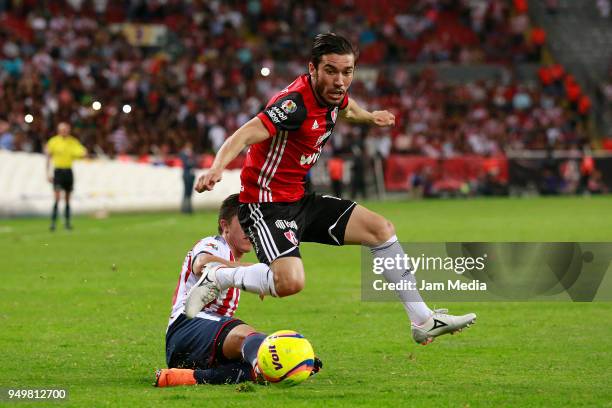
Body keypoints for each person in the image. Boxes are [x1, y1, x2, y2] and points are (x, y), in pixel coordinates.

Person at [189, 33, 476, 346]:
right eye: (331, 71)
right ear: (312, 69)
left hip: (299, 199)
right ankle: (218, 275)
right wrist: (217, 167)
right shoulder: (294, 105)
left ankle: (422, 320)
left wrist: (370, 117)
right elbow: (244, 134)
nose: (340, 80)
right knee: (291, 282)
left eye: (347, 72)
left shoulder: (334, 94)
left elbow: (348, 108)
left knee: (381, 230)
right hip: (264, 205)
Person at [156, 194, 321, 387]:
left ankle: (184, 377)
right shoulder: (214, 244)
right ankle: (271, 359)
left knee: (253, 365)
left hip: (203, 347)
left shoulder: (234, 262)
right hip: (186, 328)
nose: (251, 230)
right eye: (244, 222)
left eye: (253, 224)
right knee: (247, 338)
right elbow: (202, 264)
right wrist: (252, 272)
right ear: (225, 226)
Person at [45, 122, 87, 231]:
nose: (64, 131)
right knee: (57, 197)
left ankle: (67, 223)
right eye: (62, 129)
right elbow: (48, 157)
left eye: (66, 129)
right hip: (58, 171)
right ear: (59, 130)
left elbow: (82, 152)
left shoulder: (73, 141)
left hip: (68, 171)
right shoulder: (53, 141)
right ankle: (53, 222)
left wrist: (83, 153)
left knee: (68, 198)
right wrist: (48, 173)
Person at [179, 142, 196, 214]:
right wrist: (191, 162)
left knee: (190, 192)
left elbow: (195, 162)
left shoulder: (192, 154)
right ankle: (185, 209)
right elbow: (187, 163)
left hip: (191, 175)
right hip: (186, 175)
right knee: (186, 192)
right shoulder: (183, 154)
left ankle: (189, 209)